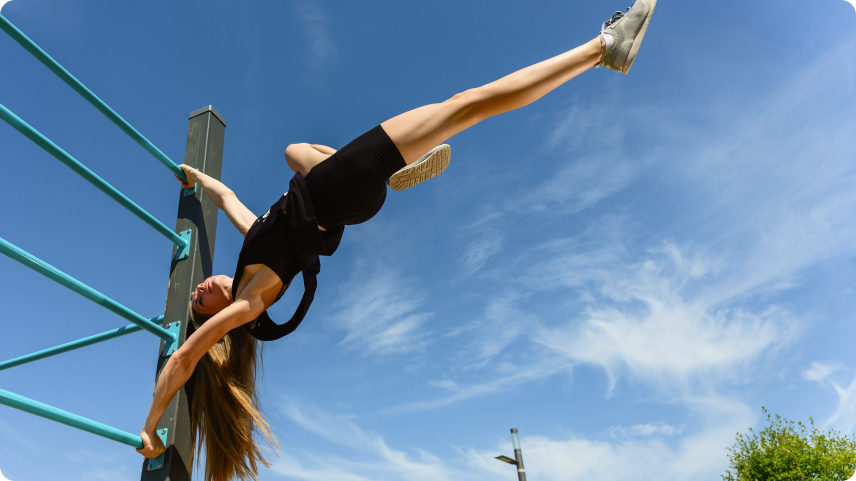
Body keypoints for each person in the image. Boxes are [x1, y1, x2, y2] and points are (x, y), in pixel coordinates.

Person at [136, 2, 657, 480]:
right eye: (201, 300)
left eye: (197, 290)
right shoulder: (253, 302)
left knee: (295, 150)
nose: (201, 286)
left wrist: (196, 179)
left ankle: (393, 174)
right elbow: (183, 359)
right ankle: (603, 48)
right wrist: (151, 424)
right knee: (466, 105)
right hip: (341, 187)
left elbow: (226, 197)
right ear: (221, 319)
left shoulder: (260, 247)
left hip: (339, 194)